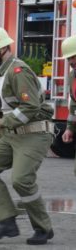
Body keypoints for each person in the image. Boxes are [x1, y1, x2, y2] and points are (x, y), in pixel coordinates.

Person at [0, 27, 54, 245]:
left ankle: (43, 228)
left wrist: (0, 121)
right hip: (14, 135)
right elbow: (15, 105)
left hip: (34, 134)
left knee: (21, 180)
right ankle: (7, 221)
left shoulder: (18, 70)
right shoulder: (2, 72)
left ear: (3, 49)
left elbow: (31, 106)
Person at [59, 36, 76, 177]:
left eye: (74, 57)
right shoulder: (72, 76)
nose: (71, 62)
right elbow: (74, 105)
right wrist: (69, 128)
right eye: (68, 58)